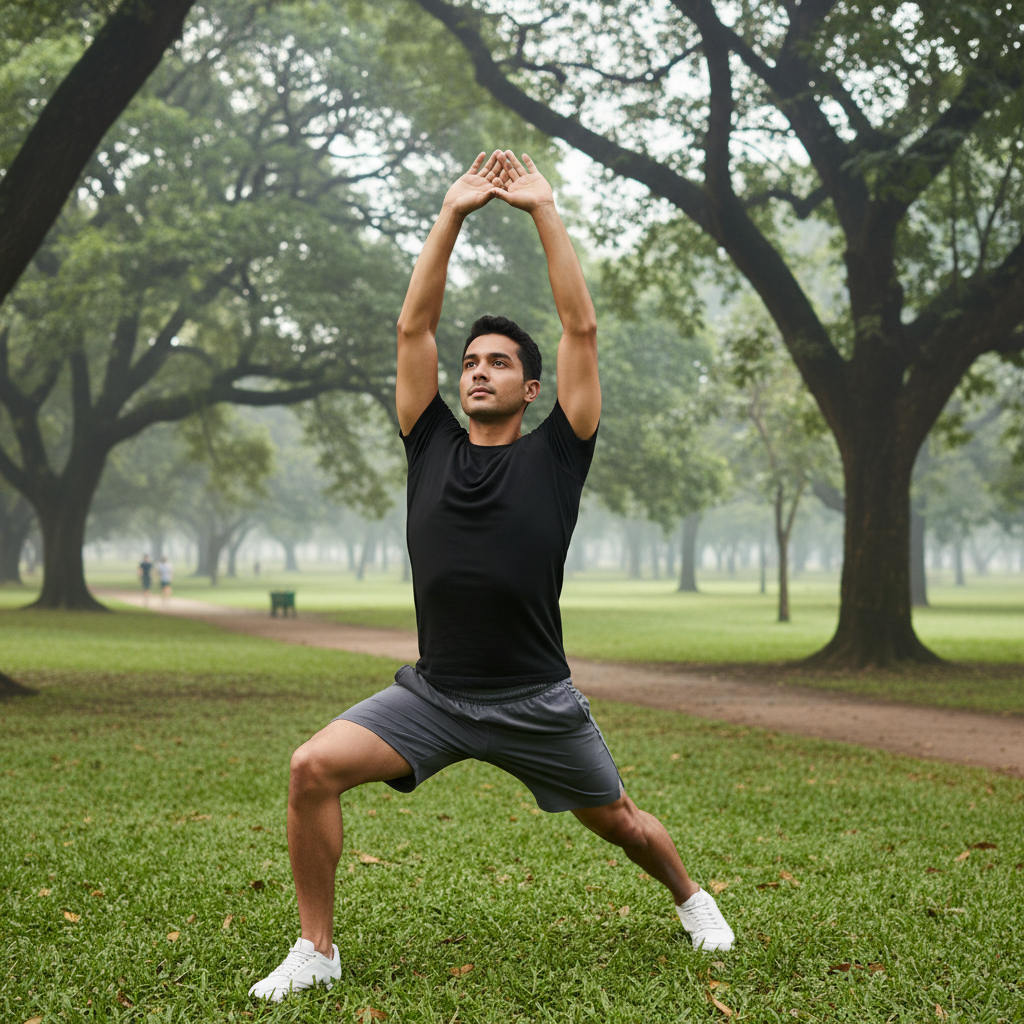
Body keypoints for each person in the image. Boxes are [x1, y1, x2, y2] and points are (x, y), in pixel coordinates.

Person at [249, 150, 733, 1003]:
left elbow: (582, 330)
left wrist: (544, 209)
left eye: (499, 362)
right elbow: (413, 331)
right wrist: (450, 214)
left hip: (537, 700)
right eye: (471, 361)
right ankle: (316, 950)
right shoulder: (428, 442)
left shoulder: (560, 453)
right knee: (310, 767)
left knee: (621, 822)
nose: (477, 369)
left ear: (532, 386)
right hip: (433, 697)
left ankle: (693, 898)